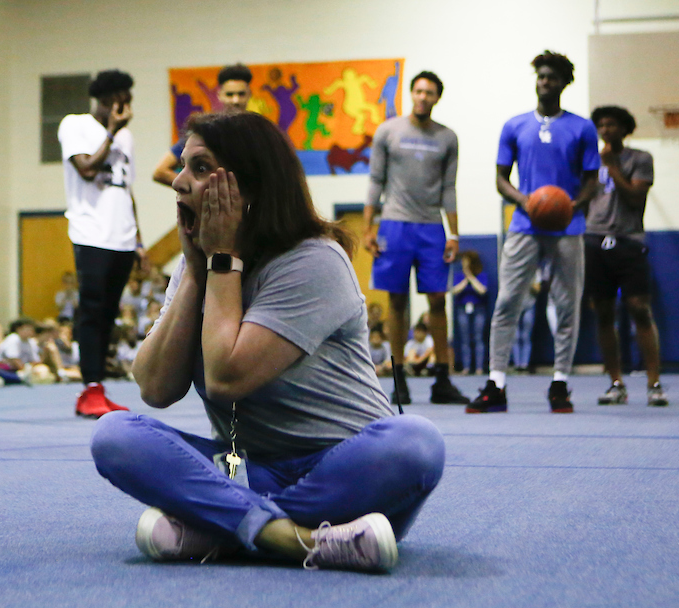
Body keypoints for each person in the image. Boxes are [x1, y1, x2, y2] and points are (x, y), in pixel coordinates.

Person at [90, 110, 445, 572]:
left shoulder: (315, 260)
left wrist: (221, 259)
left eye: (200, 168)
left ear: (250, 188)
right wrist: (197, 272)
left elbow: (227, 379)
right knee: (115, 437)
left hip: (345, 472)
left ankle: (225, 525)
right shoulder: (198, 263)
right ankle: (289, 537)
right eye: (182, 166)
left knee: (417, 443)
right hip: (245, 470)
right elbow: (155, 388)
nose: (177, 182)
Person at [468, 51, 599, 414]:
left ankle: (560, 383)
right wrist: (523, 201)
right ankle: (496, 384)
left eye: (552, 77)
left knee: (567, 306)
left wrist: (572, 205)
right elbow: (500, 178)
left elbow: (593, 181)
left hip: (568, 227)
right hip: (525, 225)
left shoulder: (582, 128)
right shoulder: (514, 125)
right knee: (507, 302)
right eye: (541, 76)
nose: (545, 82)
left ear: (564, 83)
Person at [362, 71, 468, 406]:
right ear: (411, 93)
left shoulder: (447, 138)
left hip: (431, 227)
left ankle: (442, 379)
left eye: (430, 92)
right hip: (394, 224)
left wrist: (454, 233)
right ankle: (399, 380)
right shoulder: (388, 131)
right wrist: (368, 228)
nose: (423, 96)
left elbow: (449, 188)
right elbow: (375, 180)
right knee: (397, 301)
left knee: (438, 300)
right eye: (419, 91)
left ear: (437, 98)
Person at [58, 68, 146, 417]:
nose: (127, 107)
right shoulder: (75, 125)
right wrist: (111, 132)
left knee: (109, 314)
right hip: (91, 232)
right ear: (107, 100)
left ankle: (98, 387)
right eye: (123, 100)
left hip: (122, 235)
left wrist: (139, 239)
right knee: (92, 311)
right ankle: (89, 389)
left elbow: (128, 188)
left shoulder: (127, 138)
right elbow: (86, 169)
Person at [586, 106, 667, 408]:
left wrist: (612, 167)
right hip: (594, 240)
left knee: (639, 308)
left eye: (612, 124)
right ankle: (616, 383)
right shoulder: (589, 160)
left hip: (629, 240)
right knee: (603, 312)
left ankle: (654, 383)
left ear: (625, 128)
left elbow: (634, 196)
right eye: (601, 125)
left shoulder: (640, 158)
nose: (606, 130)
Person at [152, 64, 253, 187]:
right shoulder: (206, 131)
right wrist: (200, 189)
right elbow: (161, 172)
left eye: (241, 94)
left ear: (249, 94)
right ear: (220, 95)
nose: (235, 100)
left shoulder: (257, 132)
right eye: (230, 94)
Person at [450, 250, 488, 375]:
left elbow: (482, 290)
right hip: (462, 309)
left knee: (478, 338)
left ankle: (479, 367)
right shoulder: (459, 276)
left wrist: (471, 277)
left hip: (478, 309)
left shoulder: (481, 276)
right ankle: (466, 367)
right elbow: (455, 290)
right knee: (465, 339)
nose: (463, 264)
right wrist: (466, 279)